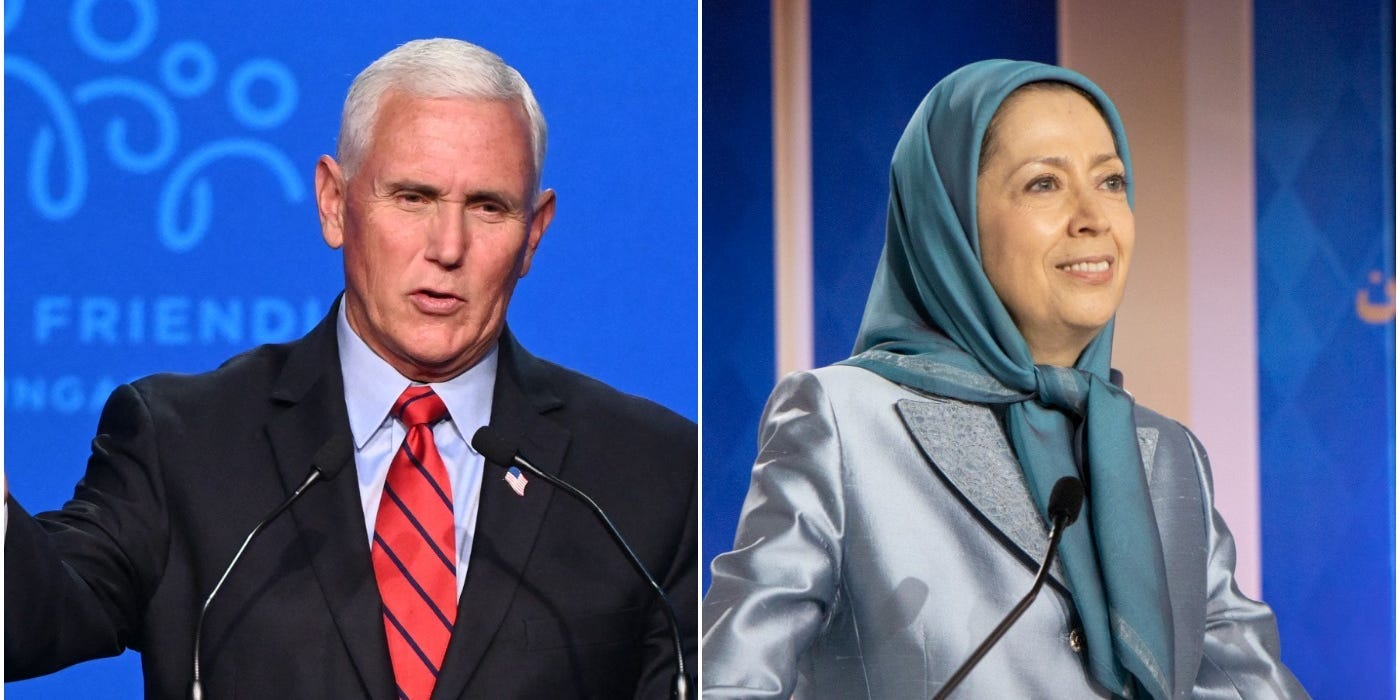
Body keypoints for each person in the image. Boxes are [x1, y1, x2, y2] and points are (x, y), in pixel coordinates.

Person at [5, 38, 696, 698]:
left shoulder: (649, 474)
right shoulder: (184, 444)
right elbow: (31, 620)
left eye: (488, 207)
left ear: (533, 234)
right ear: (335, 203)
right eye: (412, 197)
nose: (447, 247)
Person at [701, 59, 1306, 699]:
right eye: (1044, 184)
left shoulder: (1167, 453)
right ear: (949, 219)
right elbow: (732, 682)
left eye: (1111, 181)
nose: (1093, 217)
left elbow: (1247, 687)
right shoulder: (844, 421)